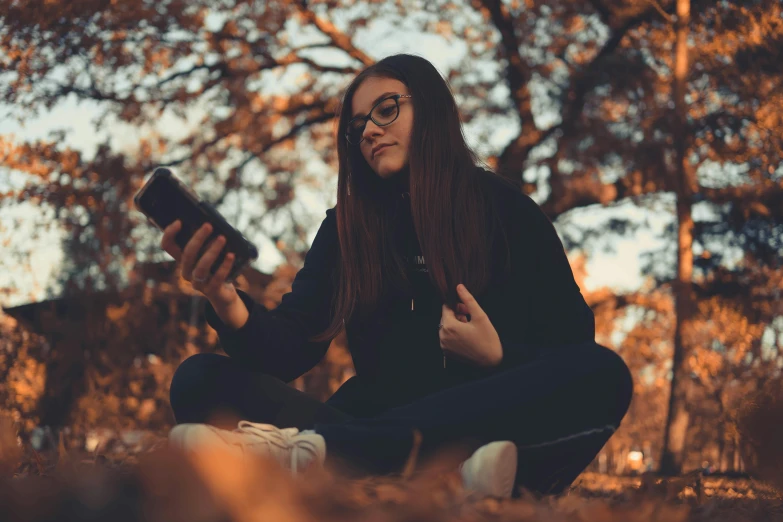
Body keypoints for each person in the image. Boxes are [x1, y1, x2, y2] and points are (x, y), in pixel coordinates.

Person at [161, 54, 633, 498]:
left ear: (431, 110)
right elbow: (293, 344)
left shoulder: (508, 212)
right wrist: (225, 299)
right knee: (199, 379)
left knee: (604, 372)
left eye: (386, 110)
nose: (368, 131)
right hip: (370, 419)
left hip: (492, 429)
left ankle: (340, 458)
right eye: (358, 125)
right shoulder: (349, 226)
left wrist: (499, 356)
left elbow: (571, 346)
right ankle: (393, 468)